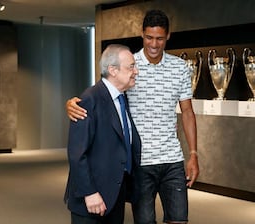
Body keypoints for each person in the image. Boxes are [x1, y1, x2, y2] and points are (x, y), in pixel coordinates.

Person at [66, 10, 199, 224]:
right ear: (142, 34)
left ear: (168, 37)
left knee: (179, 219)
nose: (154, 44)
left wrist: (193, 154)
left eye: (160, 38)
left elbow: (187, 112)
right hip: (140, 161)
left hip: (171, 158)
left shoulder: (179, 67)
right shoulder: (127, 63)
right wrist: (72, 103)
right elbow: (102, 92)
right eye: (149, 37)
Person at [64, 44, 141, 224]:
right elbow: (77, 154)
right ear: (112, 70)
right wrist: (89, 193)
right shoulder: (89, 99)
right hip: (91, 198)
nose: (136, 71)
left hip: (114, 194)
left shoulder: (122, 98)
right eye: (131, 66)